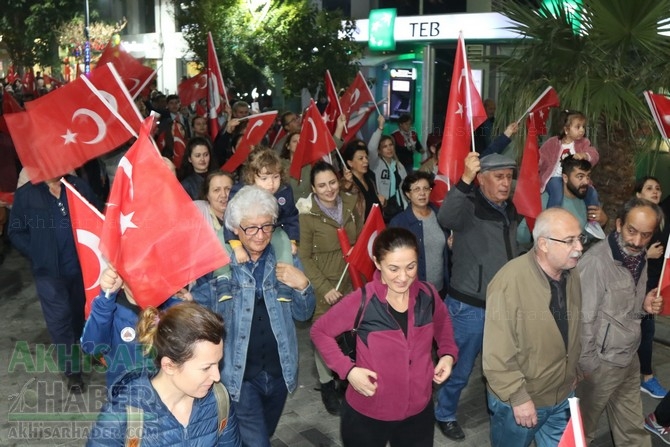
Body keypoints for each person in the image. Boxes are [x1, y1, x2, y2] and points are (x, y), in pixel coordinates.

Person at [311, 227, 458, 447]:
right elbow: (320, 332)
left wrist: (447, 354)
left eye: (411, 267)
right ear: (377, 263)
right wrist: (348, 371)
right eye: (393, 268)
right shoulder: (362, 300)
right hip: (368, 412)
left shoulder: (428, 294)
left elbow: (442, 323)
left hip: (418, 412)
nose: (403, 277)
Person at [216, 185, 315, 446]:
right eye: (251, 228)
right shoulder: (221, 265)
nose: (260, 235)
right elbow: (205, 315)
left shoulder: (286, 258)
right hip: (240, 375)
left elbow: (304, 315)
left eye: (267, 226)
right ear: (236, 229)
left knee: (263, 433)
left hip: (279, 372)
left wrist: (303, 286)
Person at [434, 152, 520, 441]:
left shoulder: (509, 209)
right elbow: (445, 216)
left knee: (498, 365)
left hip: (502, 306)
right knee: (459, 368)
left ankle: (494, 405)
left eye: (509, 176)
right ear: (482, 179)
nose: (506, 182)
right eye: (499, 176)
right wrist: (464, 180)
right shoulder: (468, 206)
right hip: (469, 307)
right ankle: (444, 413)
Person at [483, 208, 584, 447]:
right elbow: (496, 354)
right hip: (522, 401)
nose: (579, 247)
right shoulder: (509, 282)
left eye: (580, 238)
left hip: (562, 393)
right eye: (570, 241)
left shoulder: (572, 274)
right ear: (543, 244)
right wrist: (518, 398)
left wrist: (573, 371)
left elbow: (572, 327)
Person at [87, 302, 241, 446]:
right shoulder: (123, 414)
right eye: (206, 368)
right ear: (169, 365)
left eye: (218, 363)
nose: (217, 377)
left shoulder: (218, 399)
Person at [576, 197, 665, 445]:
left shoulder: (641, 257)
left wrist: (644, 307)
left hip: (629, 358)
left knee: (633, 432)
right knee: (582, 433)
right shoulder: (595, 262)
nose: (637, 242)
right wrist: (589, 368)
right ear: (618, 225)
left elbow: (627, 310)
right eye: (632, 231)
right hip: (599, 365)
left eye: (645, 235)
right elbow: (583, 321)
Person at [8, 175, 102, 393]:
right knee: (60, 320)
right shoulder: (27, 194)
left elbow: (98, 215)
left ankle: (88, 349)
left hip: (82, 269)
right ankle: (73, 372)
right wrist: (38, 253)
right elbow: (15, 231)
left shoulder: (78, 187)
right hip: (48, 273)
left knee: (81, 316)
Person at [297, 161, 363, 415]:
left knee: (351, 335)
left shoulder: (349, 202)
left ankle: (347, 380)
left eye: (332, 182)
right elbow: (304, 257)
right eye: (322, 185)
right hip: (325, 285)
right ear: (313, 188)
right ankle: (326, 385)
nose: (329, 189)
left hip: (350, 282)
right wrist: (324, 287)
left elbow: (360, 238)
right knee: (324, 338)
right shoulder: (307, 214)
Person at [80, 267, 183, 388]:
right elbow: (92, 346)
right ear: (122, 281)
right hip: (126, 395)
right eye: (135, 274)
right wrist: (105, 299)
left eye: (151, 272)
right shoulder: (111, 314)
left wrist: (186, 305)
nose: (144, 280)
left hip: (168, 393)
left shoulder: (172, 309)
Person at [517, 155, 608, 247]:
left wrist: (602, 222)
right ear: (565, 178)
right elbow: (522, 235)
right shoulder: (546, 200)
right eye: (580, 177)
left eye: (588, 177)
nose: (586, 182)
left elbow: (587, 238)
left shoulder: (588, 201)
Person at [539, 110, 603, 238]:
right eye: (577, 127)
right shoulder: (553, 142)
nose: (582, 130)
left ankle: (592, 222)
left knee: (593, 193)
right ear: (566, 129)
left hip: (575, 179)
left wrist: (585, 155)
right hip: (555, 176)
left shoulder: (583, 143)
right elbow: (542, 156)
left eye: (583, 127)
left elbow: (594, 154)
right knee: (557, 194)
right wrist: (536, 162)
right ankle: (551, 221)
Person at [635, 176, 669, 399]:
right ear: (638, 195)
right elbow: (619, 253)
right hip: (635, 286)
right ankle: (646, 377)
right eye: (649, 188)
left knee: (645, 332)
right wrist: (646, 255)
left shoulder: (660, 219)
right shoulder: (636, 219)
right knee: (642, 333)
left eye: (657, 188)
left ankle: (642, 376)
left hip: (652, 286)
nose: (655, 192)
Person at [390, 171, 449, 294]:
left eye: (426, 188)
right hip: (414, 291)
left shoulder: (441, 215)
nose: (422, 193)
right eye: (416, 189)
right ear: (408, 194)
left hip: (441, 288)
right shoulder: (399, 223)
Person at [369, 115, 408, 222]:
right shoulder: (375, 164)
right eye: (385, 146)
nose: (389, 148)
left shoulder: (399, 166)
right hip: (383, 207)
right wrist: (380, 128)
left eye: (391, 145)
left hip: (399, 206)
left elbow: (406, 186)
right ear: (379, 150)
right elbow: (371, 148)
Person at [340, 139, 383, 220]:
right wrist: (347, 183)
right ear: (350, 163)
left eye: (366, 157)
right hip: (362, 229)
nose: (366, 161)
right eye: (361, 158)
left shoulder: (370, 178)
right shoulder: (348, 183)